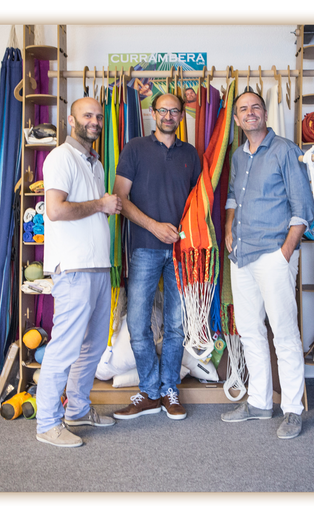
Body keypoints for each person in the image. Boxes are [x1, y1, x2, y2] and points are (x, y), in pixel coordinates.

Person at [221, 91, 314, 439]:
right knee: (249, 332)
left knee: (284, 333)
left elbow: (303, 206)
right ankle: (259, 402)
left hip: (274, 255)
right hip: (241, 255)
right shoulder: (237, 155)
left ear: (264, 113)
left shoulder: (285, 150)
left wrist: (286, 251)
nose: (250, 113)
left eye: (255, 107)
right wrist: (229, 227)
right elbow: (233, 196)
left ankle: (292, 409)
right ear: (237, 119)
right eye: (243, 109)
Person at [35, 97, 122, 447]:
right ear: (71, 120)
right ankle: (47, 424)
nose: (95, 121)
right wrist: (101, 204)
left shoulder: (94, 162)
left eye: (98, 116)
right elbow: (55, 210)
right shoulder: (61, 157)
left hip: (97, 266)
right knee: (64, 348)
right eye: (87, 115)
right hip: (72, 268)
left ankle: (78, 409)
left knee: (94, 346)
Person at [112, 93, 201, 420]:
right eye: (162, 110)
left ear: (181, 115)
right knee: (138, 324)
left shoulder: (190, 154)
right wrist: (154, 227)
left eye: (174, 111)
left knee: (176, 326)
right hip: (144, 248)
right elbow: (120, 198)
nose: (168, 115)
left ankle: (168, 391)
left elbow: (199, 204)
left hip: (181, 252)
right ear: (152, 113)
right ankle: (149, 392)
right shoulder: (135, 148)